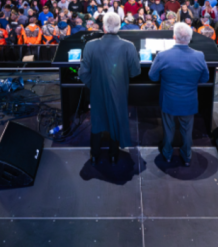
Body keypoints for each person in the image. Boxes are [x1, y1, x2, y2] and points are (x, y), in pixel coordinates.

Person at [78, 13, 141, 165]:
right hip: (119, 91)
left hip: (97, 91)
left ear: (104, 27)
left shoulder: (90, 45)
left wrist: (94, 86)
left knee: (97, 120)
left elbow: (83, 73)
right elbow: (135, 72)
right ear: (119, 27)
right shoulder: (129, 46)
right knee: (116, 118)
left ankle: (95, 154)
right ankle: (114, 155)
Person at [148, 22, 210, 166]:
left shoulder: (162, 55)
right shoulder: (199, 56)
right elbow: (205, 78)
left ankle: (167, 154)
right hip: (189, 101)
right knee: (187, 131)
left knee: (168, 129)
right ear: (190, 38)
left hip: (169, 100)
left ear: (174, 37)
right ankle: (187, 156)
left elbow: (153, 77)